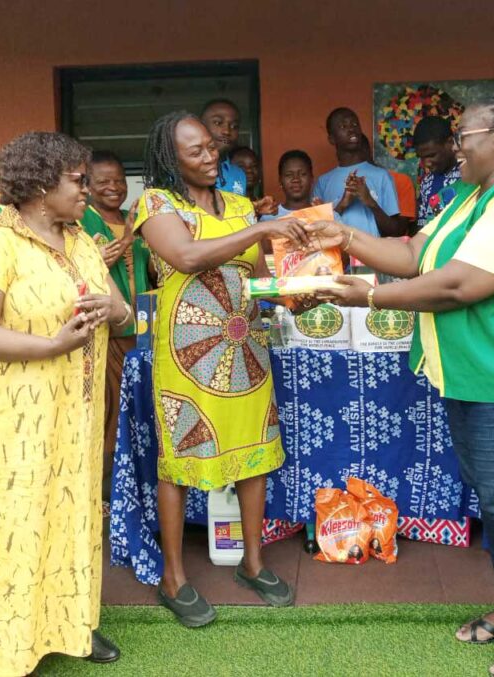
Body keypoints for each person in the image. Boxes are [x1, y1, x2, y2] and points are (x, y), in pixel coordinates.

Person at [310, 87, 494, 677]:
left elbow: (459, 285)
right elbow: (417, 253)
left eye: (463, 136)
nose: (454, 146)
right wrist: (346, 239)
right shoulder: (473, 194)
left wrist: (368, 295)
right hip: (480, 377)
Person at [0, 132, 126, 676]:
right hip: (13, 417)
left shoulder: (82, 238)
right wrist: (51, 345)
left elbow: (122, 311)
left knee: (71, 515)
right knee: (13, 521)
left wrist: (110, 309)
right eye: (77, 181)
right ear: (42, 183)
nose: (86, 191)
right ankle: (3, 643)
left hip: (75, 412)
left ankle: (71, 624)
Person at [133, 111, 311, 627]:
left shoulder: (238, 206)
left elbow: (258, 277)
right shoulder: (156, 204)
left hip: (245, 346)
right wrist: (263, 227)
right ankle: (173, 578)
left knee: (255, 449)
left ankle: (253, 563)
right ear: (171, 158)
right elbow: (187, 257)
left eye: (212, 146)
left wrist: (297, 293)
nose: (210, 156)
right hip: (188, 354)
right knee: (182, 456)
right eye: (196, 151)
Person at [77, 150, 152, 499]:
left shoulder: (133, 219)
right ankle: (104, 493)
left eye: (119, 180)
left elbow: (149, 270)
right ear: (88, 185)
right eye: (103, 181)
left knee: (139, 411)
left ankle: (137, 485)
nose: (114, 187)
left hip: (142, 330)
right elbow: (76, 273)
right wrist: (101, 259)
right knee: (108, 413)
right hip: (107, 335)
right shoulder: (81, 222)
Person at [313, 107, 405, 237]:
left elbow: (394, 232)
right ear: (332, 139)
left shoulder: (382, 176)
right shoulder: (322, 182)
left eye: (355, 124)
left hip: (372, 250)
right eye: (343, 126)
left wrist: (370, 202)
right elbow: (317, 233)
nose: (351, 129)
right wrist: (343, 204)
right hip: (337, 250)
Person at [413, 116, 463, 229]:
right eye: (421, 157)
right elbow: (422, 226)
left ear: (450, 142)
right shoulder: (426, 183)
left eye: (431, 155)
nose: (426, 163)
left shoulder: (469, 175)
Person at [360, 134, 416, 234]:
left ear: (366, 151)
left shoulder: (400, 181)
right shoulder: (340, 182)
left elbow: (399, 231)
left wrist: (371, 203)